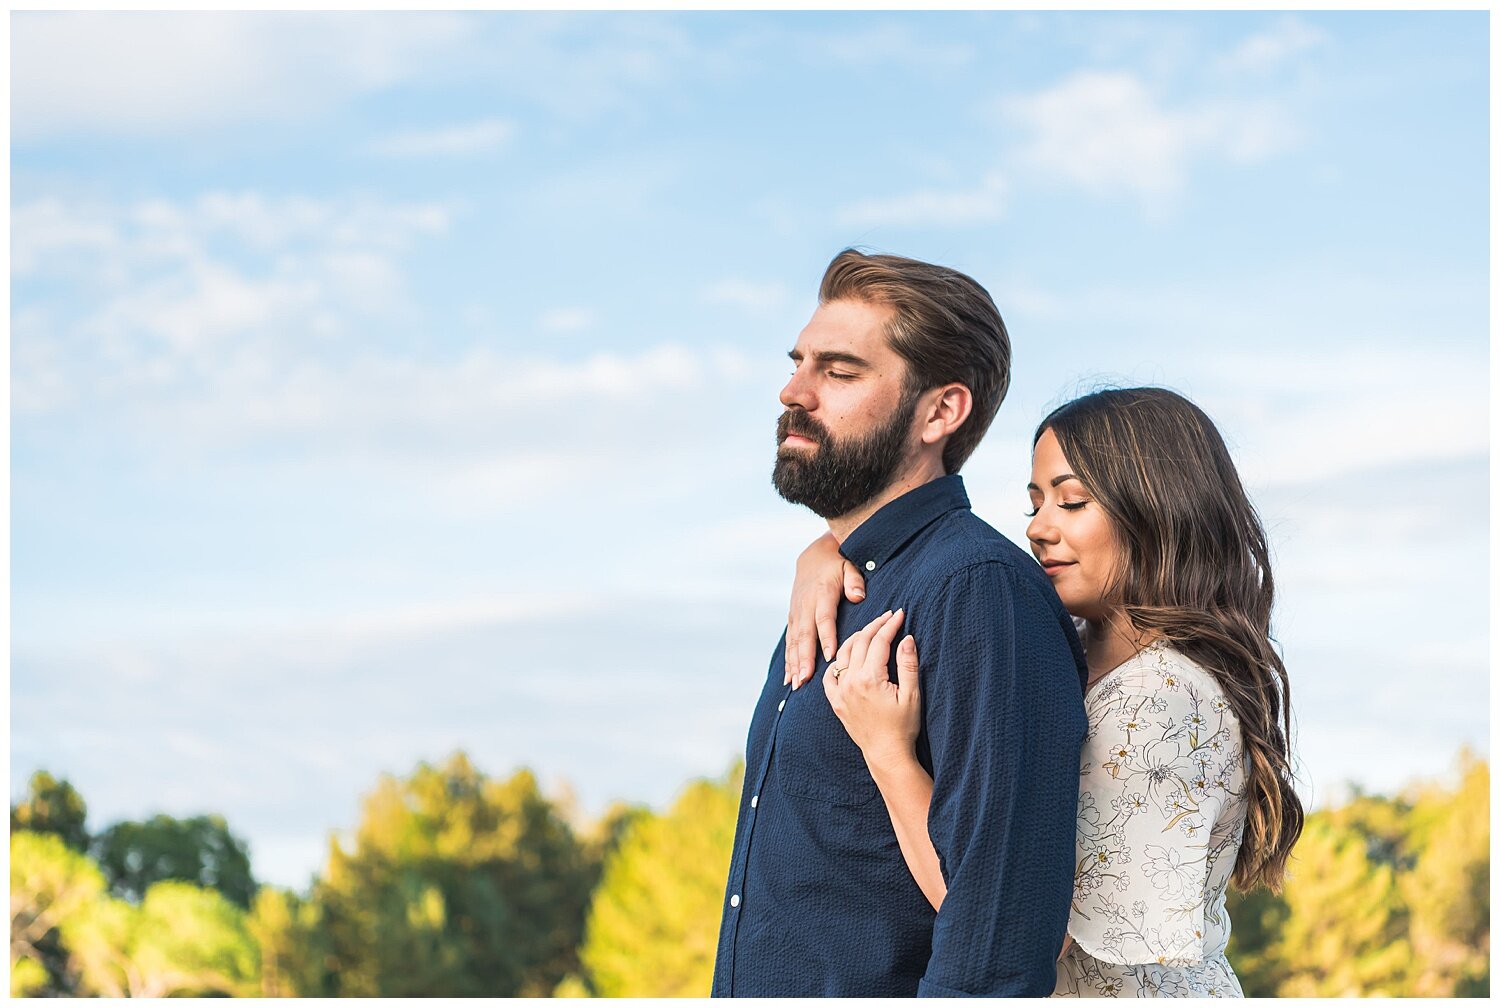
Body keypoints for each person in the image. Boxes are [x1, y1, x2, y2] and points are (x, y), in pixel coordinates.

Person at [788, 387, 1305, 997]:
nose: (1038, 528)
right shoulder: (1068, 652)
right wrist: (830, 549)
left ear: (1159, 508)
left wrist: (888, 753)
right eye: (1035, 503)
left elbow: (1018, 929)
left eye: (1072, 501)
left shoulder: (1160, 698)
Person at [711, 250, 1089, 997]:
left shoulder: (979, 593)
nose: (793, 391)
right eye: (799, 364)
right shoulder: (840, 584)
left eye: (840, 372)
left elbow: (998, 935)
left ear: (940, 412)